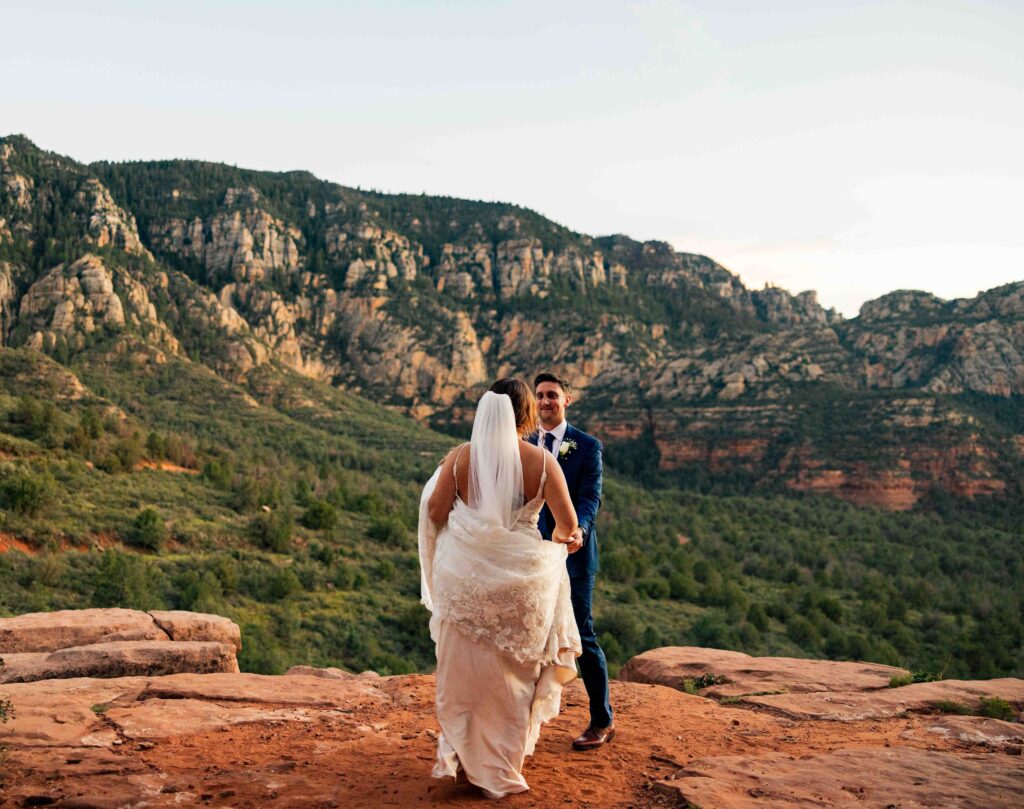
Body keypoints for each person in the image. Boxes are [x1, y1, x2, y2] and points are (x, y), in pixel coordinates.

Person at [418, 377, 583, 798]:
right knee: (514, 679)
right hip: (521, 583)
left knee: (463, 676)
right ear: (526, 413)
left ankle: (460, 757)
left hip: (465, 583)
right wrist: (568, 539)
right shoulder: (543, 463)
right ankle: (502, 764)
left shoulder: (459, 458)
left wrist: (467, 524)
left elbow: (436, 512)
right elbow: (565, 524)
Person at [531, 372, 614, 750]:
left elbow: (590, 498)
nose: (545, 401)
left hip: (574, 556)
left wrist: (578, 528)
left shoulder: (587, 446)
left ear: (568, 400)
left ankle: (601, 720)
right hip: (531, 557)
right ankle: (525, 720)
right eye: (540, 396)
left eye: (552, 395)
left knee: (583, 633)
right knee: (529, 635)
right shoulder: (525, 442)